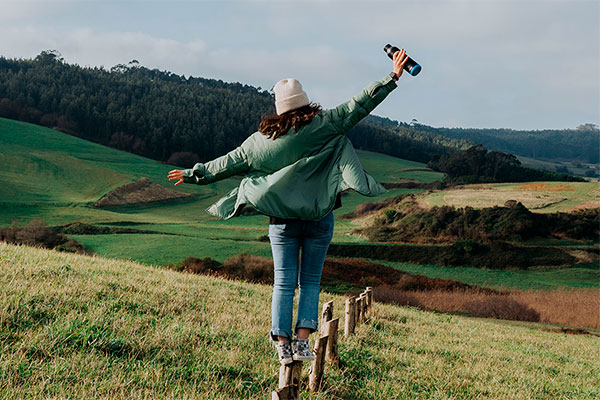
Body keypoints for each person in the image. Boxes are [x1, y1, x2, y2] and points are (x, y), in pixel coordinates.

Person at [168, 49, 410, 365]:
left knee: (283, 282)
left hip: (281, 222)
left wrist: (191, 174)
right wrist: (392, 76)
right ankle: (303, 342)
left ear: (278, 109)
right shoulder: (326, 124)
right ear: (305, 101)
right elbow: (360, 103)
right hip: (319, 218)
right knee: (310, 281)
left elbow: (224, 165)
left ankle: (282, 345)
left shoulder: (258, 142)